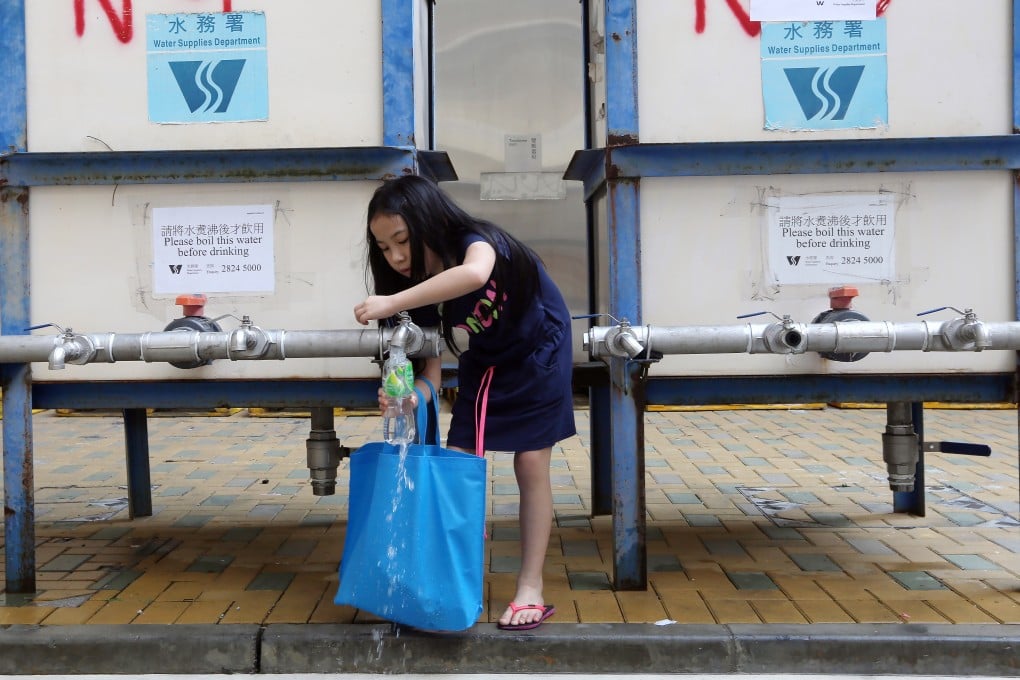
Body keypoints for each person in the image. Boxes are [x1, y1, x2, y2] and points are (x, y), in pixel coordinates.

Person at [353, 174, 576, 631]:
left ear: (427, 221)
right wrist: (410, 398)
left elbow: (475, 274)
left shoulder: (475, 240)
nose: (395, 256)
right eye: (383, 247)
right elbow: (431, 370)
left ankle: (530, 586)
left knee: (530, 464)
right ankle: (442, 584)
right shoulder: (414, 291)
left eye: (401, 240)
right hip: (487, 362)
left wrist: (390, 300)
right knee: (452, 470)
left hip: (540, 349)